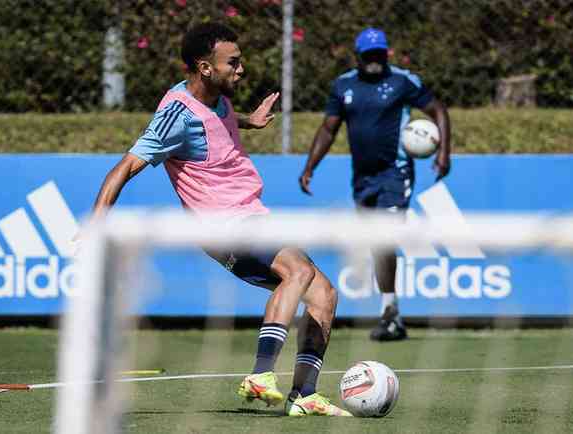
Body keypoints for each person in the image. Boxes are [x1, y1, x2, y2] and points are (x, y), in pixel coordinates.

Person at [87, 23, 350, 417]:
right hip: (225, 224)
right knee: (298, 272)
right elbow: (124, 167)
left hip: (249, 216)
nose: (241, 69)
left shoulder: (219, 99)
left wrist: (251, 120)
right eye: (234, 62)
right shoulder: (175, 115)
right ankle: (261, 375)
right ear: (205, 67)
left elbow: (217, 119)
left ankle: (304, 395)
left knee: (323, 294)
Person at [299, 27, 451, 342]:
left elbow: (438, 110)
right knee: (375, 242)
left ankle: (389, 314)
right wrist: (310, 166)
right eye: (368, 55)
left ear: (386, 53)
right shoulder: (343, 86)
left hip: (395, 173)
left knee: (384, 237)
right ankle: (391, 313)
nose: (374, 60)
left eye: (379, 54)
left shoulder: (402, 81)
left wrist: (444, 152)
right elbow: (328, 129)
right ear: (358, 56)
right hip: (362, 178)